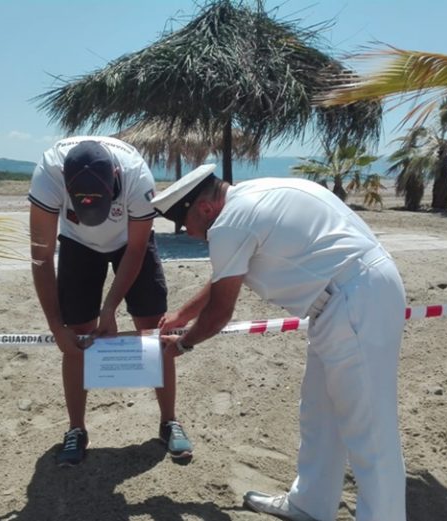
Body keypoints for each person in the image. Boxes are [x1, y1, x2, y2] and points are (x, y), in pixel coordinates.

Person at [153, 165, 406, 521]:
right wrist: (183, 313)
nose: (190, 234)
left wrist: (182, 344)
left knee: (371, 432)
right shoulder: (256, 194)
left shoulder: (228, 224)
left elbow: (220, 312)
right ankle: (310, 505)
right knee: (319, 412)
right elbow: (227, 275)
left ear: (205, 209)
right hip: (350, 296)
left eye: (186, 224)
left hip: (353, 302)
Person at [28, 136, 193, 467]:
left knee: (153, 327)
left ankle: (169, 421)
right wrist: (57, 328)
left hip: (128, 241)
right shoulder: (48, 174)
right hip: (77, 242)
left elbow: (135, 250)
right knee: (77, 335)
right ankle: (76, 429)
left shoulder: (137, 176)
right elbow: (41, 257)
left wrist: (110, 307)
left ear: (116, 175)